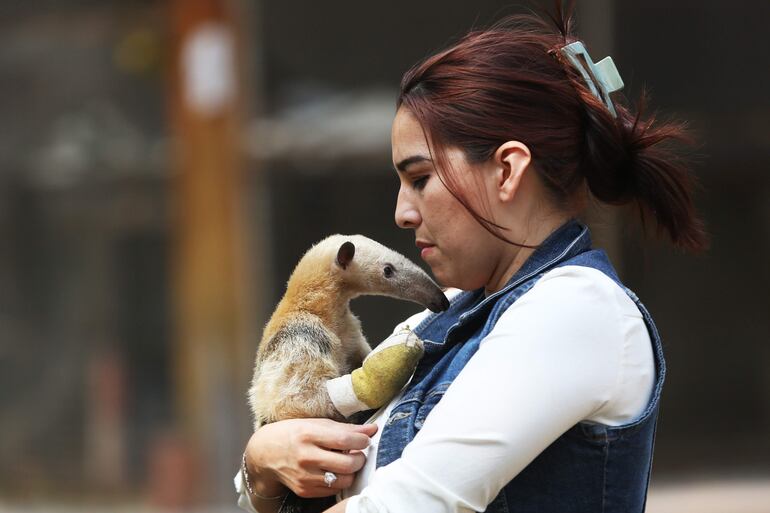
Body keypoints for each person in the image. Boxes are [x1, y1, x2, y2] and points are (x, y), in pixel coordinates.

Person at [235, 5, 706, 513]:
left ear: (507, 170)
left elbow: (407, 504)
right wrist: (260, 465)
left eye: (420, 179)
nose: (401, 213)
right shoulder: (441, 318)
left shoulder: (577, 309)